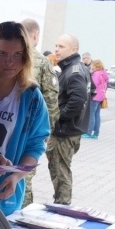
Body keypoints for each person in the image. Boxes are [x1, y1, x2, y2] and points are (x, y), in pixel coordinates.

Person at [0, 22, 50, 214]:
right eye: (2, 54)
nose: (10, 62)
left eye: (17, 55)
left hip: (1, 190)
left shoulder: (31, 96)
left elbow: (36, 144)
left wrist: (16, 176)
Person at [47, 34, 91, 205]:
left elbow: (78, 100)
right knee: (59, 170)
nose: (57, 49)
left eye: (61, 46)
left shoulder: (74, 71)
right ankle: (60, 202)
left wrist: (59, 117)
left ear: (74, 49)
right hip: (69, 130)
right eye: (56, 46)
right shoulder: (74, 68)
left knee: (61, 172)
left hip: (65, 132)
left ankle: (62, 206)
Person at [20, 18, 59, 207]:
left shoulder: (2, 56)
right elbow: (51, 103)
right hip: (30, 134)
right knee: (23, 178)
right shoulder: (43, 62)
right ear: (35, 35)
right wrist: (46, 134)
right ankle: (22, 215)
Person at [83, 59, 108, 139]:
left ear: (95, 65)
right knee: (97, 115)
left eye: (92, 65)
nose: (91, 66)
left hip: (94, 96)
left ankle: (88, 132)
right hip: (101, 97)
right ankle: (96, 133)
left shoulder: (96, 74)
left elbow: (93, 85)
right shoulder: (103, 73)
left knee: (91, 115)